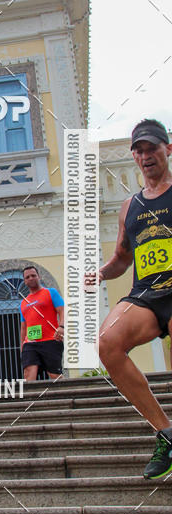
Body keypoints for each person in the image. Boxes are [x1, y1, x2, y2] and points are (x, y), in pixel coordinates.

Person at [89, 118, 172, 479]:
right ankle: (166, 434)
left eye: (152, 148)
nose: (146, 155)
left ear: (168, 149)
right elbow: (122, 257)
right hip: (146, 295)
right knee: (107, 343)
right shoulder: (130, 205)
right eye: (139, 150)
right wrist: (102, 273)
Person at [19, 266, 65, 381]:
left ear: (39, 277)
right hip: (30, 343)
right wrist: (22, 346)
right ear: (24, 281)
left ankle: (66, 392)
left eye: (33, 275)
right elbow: (24, 327)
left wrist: (61, 326)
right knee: (29, 374)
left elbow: (62, 311)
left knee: (54, 376)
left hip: (51, 340)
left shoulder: (51, 292)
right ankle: (32, 394)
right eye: (27, 277)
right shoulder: (23, 302)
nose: (31, 278)